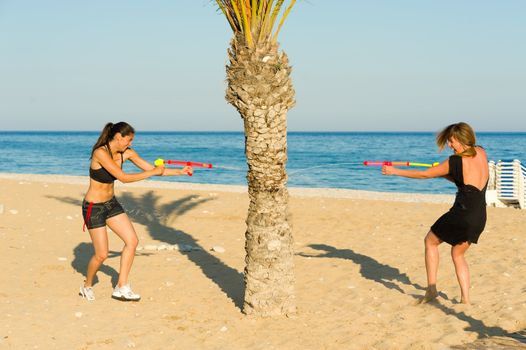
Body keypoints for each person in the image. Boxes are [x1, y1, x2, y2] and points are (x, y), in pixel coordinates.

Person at [80, 122, 192, 301]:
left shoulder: (128, 153)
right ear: (118, 137)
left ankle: (121, 286)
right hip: (94, 208)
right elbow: (123, 178)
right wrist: (152, 173)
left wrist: (180, 172)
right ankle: (87, 285)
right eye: (128, 139)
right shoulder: (100, 152)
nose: (130, 143)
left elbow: (152, 170)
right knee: (102, 255)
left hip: (111, 204)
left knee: (132, 241)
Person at [382, 122, 488, 305]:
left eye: (451, 141)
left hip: (462, 214)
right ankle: (466, 300)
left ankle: (431, 290)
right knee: (458, 253)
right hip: (479, 216)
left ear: (461, 139)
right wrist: (445, 172)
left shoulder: (454, 161)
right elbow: (466, 178)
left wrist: (394, 171)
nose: (449, 145)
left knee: (430, 241)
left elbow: (425, 175)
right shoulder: (481, 152)